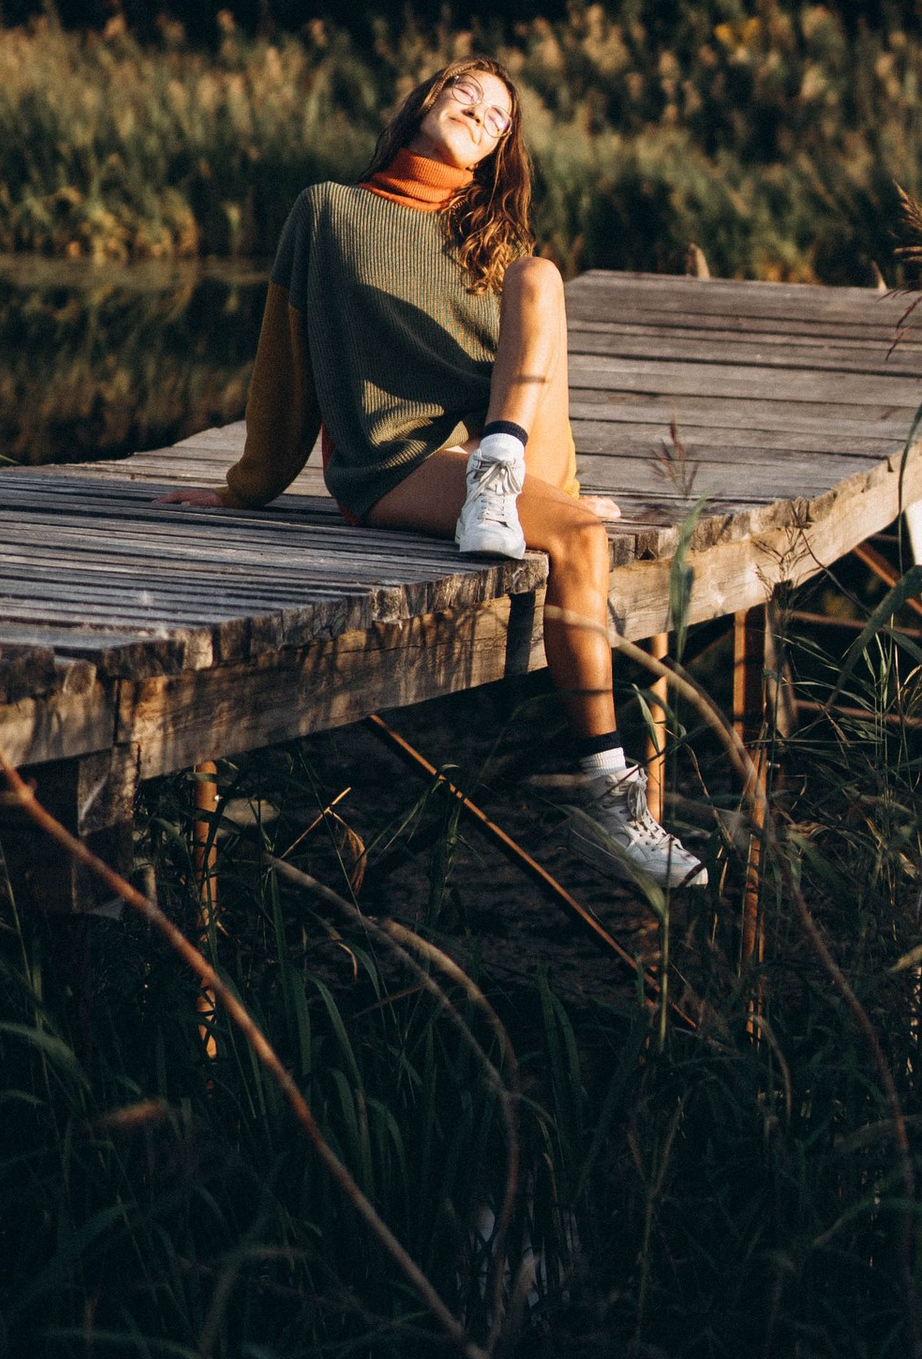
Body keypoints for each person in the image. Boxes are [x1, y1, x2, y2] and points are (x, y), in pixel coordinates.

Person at [213, 56, 705, 894]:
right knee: (582, 537)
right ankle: (608, 798)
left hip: (492, 457)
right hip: (392, 467)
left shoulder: (492, 245)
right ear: (422, 104)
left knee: (541, 278)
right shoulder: (328, 211)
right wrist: (246, 486)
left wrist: (554, 481)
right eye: (465, 95)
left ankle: (505, 480)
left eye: (499, 118)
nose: (480, 114)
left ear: (495, 154)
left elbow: (524, 382)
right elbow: (283, 369)